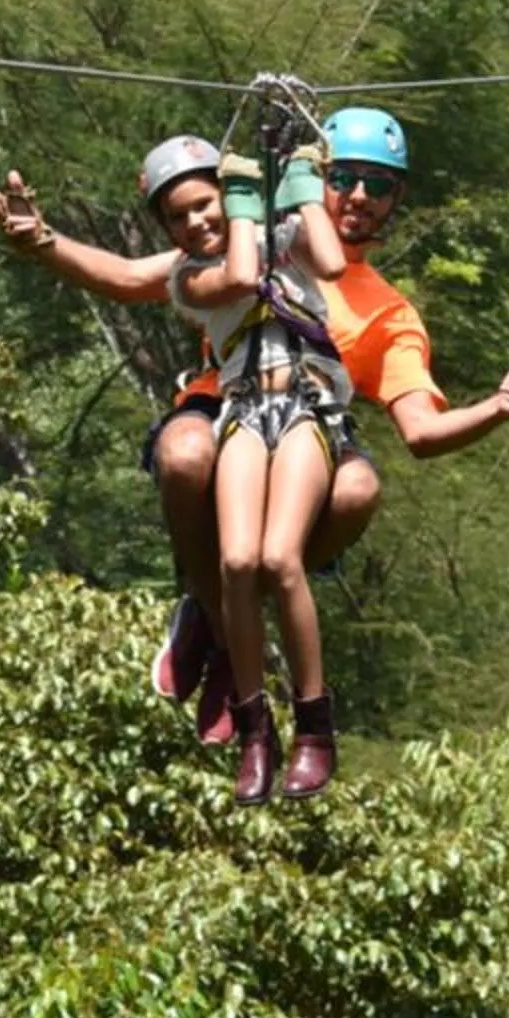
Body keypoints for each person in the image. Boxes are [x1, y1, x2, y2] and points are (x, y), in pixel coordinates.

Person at [0, 104, 509, 754]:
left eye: (381, 185)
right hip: (226, 408)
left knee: (359, 491)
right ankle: (215, 609)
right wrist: (43, 242)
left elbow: (421, 433)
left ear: (397, 200)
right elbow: (128, 277)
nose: (360, 197)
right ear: (316, 180)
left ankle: (230, 616)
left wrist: (497, 408)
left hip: (312, 428)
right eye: (345, 178)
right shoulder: (261, 243)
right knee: (184, 450)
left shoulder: (390, 313)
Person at [155, 140, 352, 799]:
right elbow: (240, 277)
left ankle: (315, 725)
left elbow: (331, 259)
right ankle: (254, 728)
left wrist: (300, 185)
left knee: (278, 559)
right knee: (236, 564)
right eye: (179, 217)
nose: (196, 223)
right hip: (242, 409)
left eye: (206, 203)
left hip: (306, 405)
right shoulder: (189, 279)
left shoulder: (287, 239)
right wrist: (241, 205)